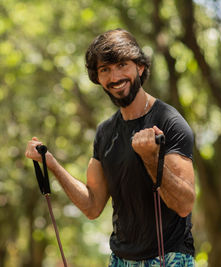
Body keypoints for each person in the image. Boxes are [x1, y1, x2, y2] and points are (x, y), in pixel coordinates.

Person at [25, 28, 195, 266]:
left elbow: (184, 205)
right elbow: (93, 206)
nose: (115, 77)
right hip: (120, 260)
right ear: (98, 78)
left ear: (140, 67)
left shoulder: (169, 121)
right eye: (105, 69)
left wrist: (151, 159)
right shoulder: (105, 132)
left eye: (122, 65)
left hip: (169, 257)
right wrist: (51, 164)